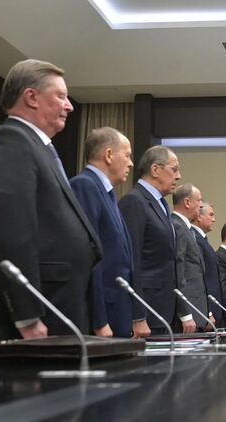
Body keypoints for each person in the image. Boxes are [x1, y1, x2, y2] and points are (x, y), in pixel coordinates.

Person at [0, 59, 101, 361]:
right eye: (61, 96)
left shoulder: (37, 148)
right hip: (3, 328)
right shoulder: (10, 143)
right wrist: (27, 314)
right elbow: (9, 232)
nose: (69, 106)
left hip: (40, 321)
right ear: (31, 97)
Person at [69, 127, 145, 338]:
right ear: (109, 155)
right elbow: (88, 258)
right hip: (103, 316)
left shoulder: (106, 192)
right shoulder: (84, 186)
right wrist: (99, 320)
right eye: (127, 155)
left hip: (118, 309)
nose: (131, 163)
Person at [119, 145, 181, 335]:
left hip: (164, 310)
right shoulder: (134, 202)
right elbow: (131, 262)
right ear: (155, 169)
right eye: (174, 169)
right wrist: (138, 316)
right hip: (147, 310)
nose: (178, 176)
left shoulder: (161, 204)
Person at [171, 184, 211, 331]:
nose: (201, 205)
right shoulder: (177, 226)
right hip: (187, 315)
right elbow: (179, 273)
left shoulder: (186, 228)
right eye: (198, 200)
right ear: (187, 202)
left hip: (196, 311)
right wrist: (186, 315)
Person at [192, 202, 225, 327]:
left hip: (212, 311)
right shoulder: (195, 239)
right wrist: (208, 312)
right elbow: (201, 279)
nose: (214, 219)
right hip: (205, 312)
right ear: (199, 216)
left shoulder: (202, 239)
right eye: (210, 215)